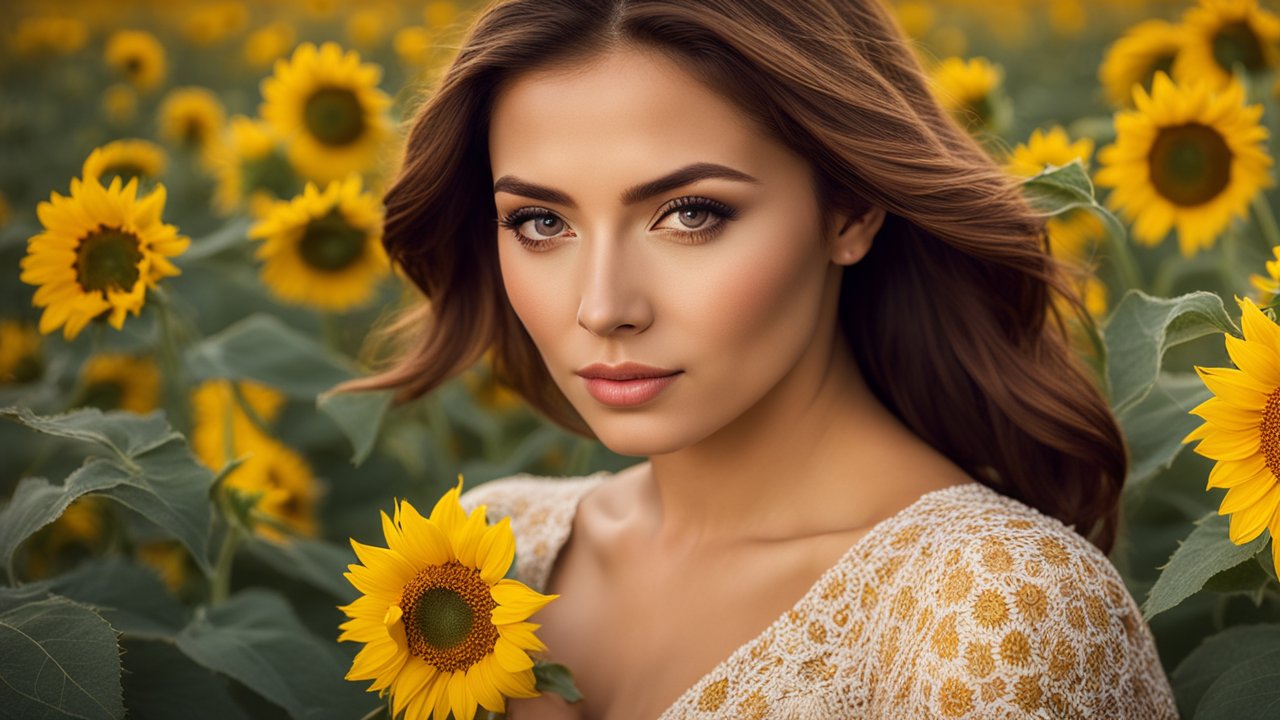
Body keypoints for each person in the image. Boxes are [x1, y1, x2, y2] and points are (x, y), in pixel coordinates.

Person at [336, 0, 1179, 717]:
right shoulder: (486, 556)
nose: (602, 307)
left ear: (849, 210)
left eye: (691, 213)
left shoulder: (990, 610)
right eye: (541, 222)